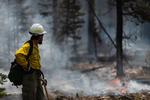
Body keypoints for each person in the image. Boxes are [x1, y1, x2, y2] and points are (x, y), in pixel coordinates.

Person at [15, 23, 46, 100]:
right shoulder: (28, 45)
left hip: (36, 75)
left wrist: (40, 76)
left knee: (41, 97)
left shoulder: (35, 45)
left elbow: (34, 62)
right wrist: (27, 66)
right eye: (42, 35)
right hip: (29, 77)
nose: (43, 37)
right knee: (29, 97)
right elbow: (18, 54)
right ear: (37, 36)